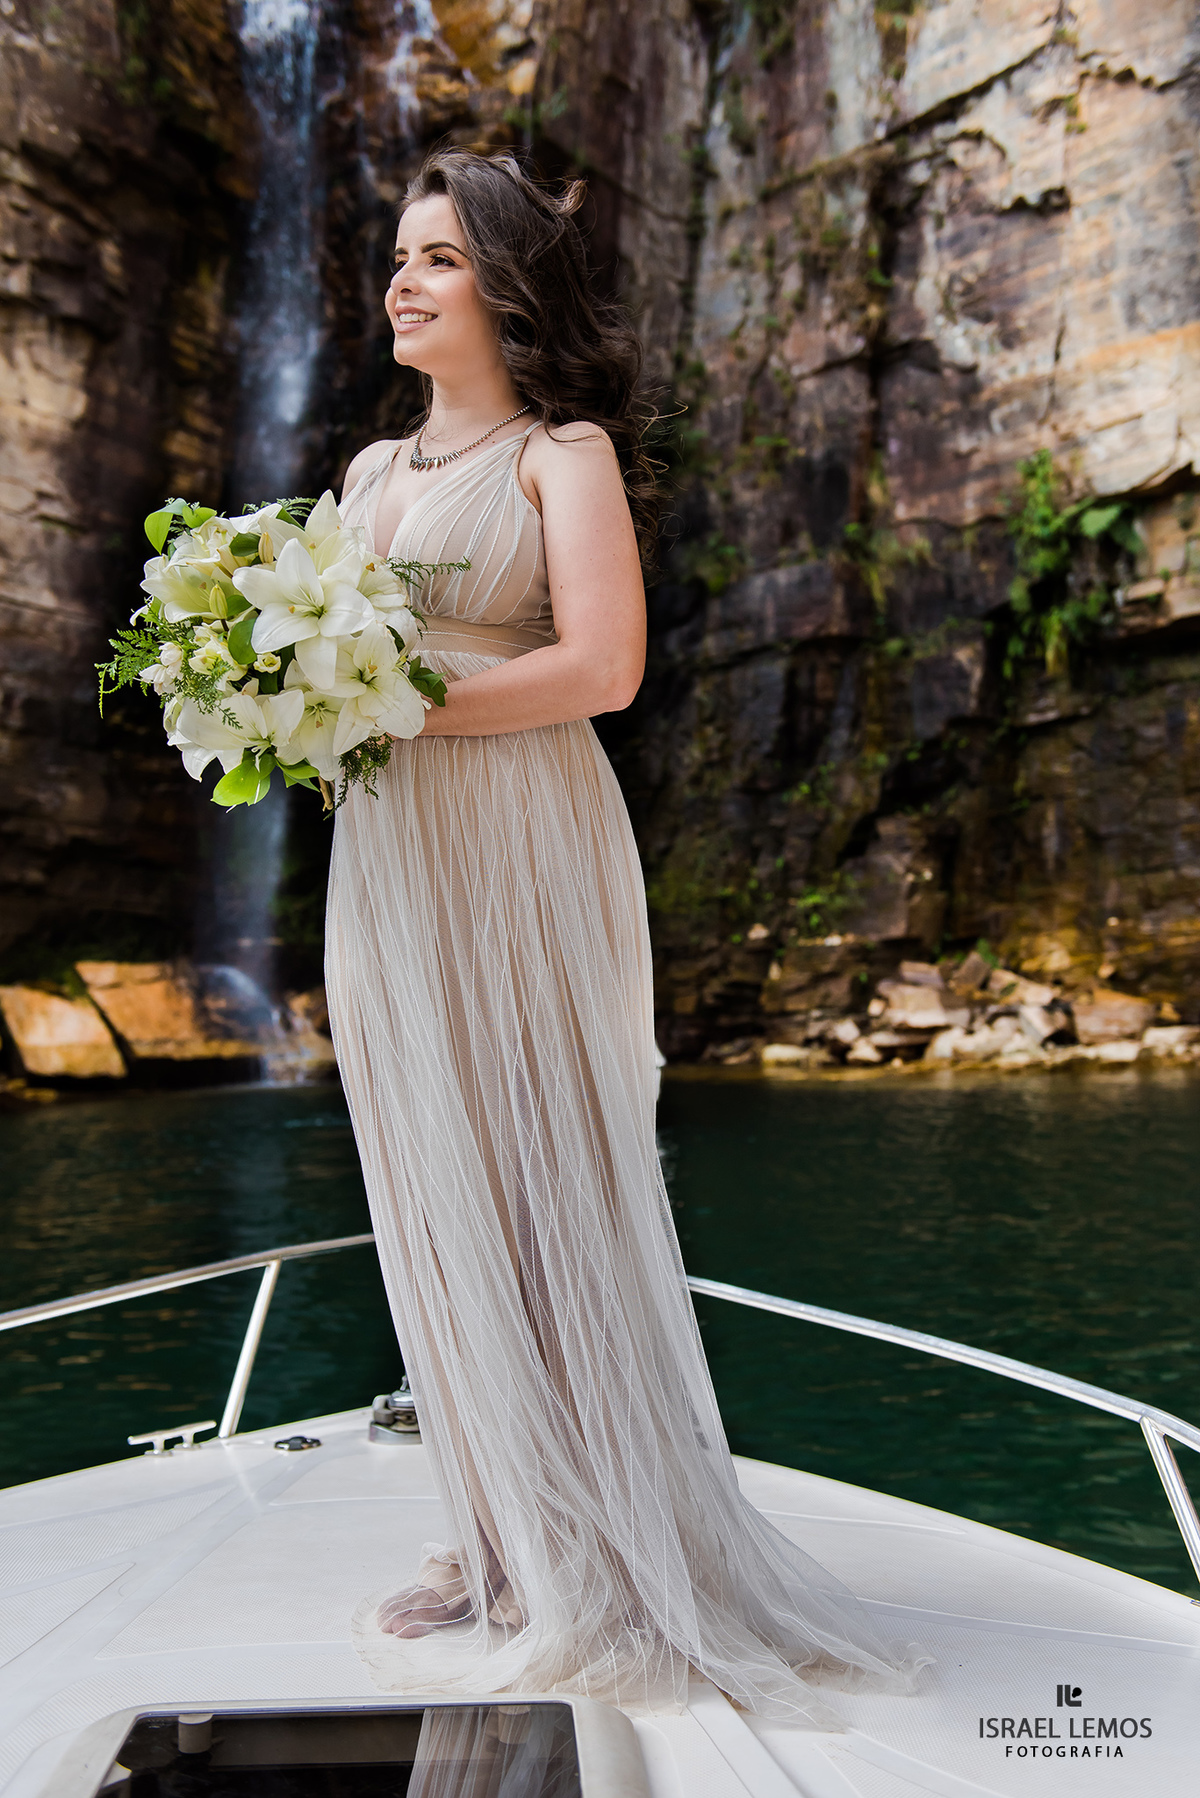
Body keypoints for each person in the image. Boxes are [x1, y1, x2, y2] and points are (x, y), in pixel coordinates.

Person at [327, 148, 915, 1720]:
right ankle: (495, 1525)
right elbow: (336, 687)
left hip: (521, 840)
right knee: (423, 1171)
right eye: (398, 254)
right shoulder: (365, 482)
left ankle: (594, 1544)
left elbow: (604, 668)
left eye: (438, 257)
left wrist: (401, 697)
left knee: (535, 1168)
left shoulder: (558, 451)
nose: (402, 279)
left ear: (507, 283)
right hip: (385, 858)